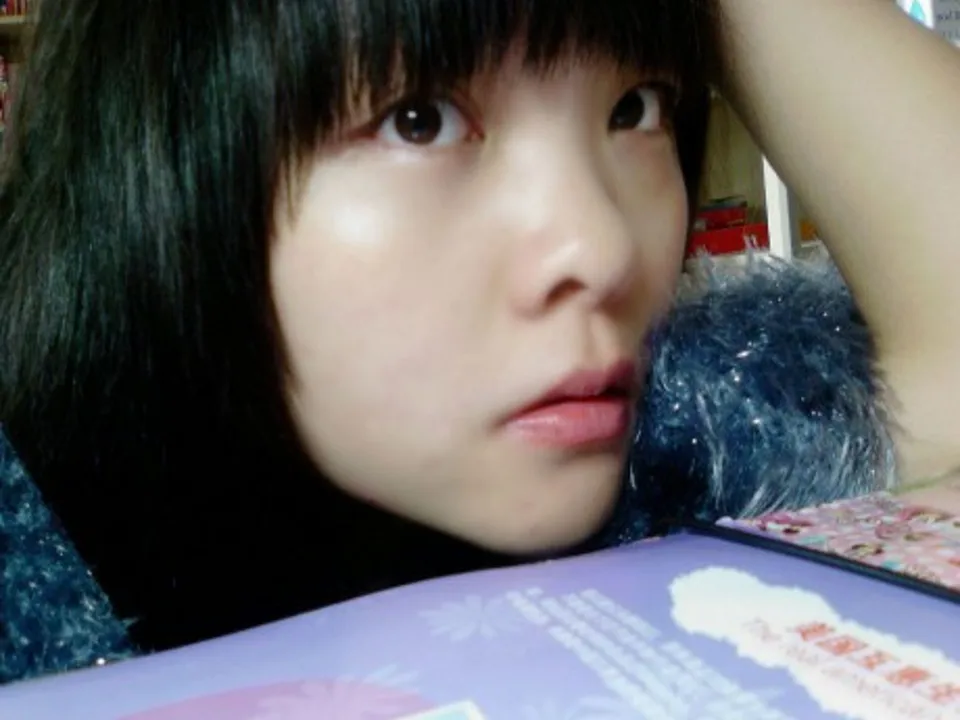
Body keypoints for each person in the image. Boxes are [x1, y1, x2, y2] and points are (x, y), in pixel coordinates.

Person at [0, 0, 958, 685]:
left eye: (635, 108)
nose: (603, 248)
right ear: (156, 166)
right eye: (419, 120)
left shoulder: (677, 460)